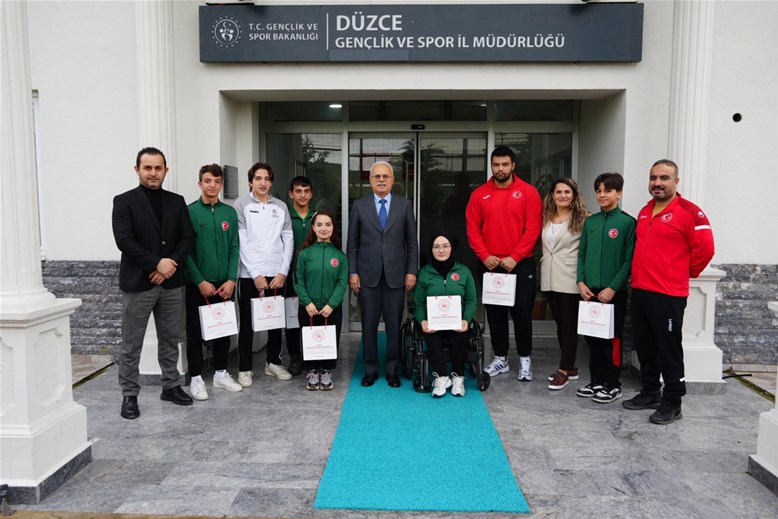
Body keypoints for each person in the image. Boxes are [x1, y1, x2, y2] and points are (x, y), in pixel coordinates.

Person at [623, 160, 714, 424]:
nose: (657, 183)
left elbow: (706, 249)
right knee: (645, 346)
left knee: (668, 349)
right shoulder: (645, 211)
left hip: (668, 294)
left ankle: (673, 401)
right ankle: (650, 392)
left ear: (676, 181)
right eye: (653, 178)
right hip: (641, 290)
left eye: (664, 178)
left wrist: (683, 272)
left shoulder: (690, 212)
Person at [111, 147, 195, 419]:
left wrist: (169, 265)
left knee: (170, 338)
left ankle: (171, 386)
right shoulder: (124, 201)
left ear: (165, 171)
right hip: (139, 283)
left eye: (158, 168)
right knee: (131, 342)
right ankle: (129, 394)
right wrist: (156, 263)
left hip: (171, 283)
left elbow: (187, 238)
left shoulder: (176, 201)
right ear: (137, 170)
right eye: (147, 168)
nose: (153, 173)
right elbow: (124, 240)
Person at [465, 145, 542, 382]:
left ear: (513, 165)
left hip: (520, 264)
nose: (500, 169)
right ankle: (501, 358)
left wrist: (515, 256)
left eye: (505, 164)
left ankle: (525, 359)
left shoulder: (528, 192)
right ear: (491, 166)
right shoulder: (479, 194)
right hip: (490, 264)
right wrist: (484, 255)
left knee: (521, 313)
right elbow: (472, 228)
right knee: (496, 315)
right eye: (496, 164)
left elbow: (533, 228)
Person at [347, 161, 419, 388]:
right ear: (370, 180)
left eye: (385, 176)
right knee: (368, 326)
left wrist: (412, 270)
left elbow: (412, 243)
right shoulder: (359, 206)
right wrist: (353, 272)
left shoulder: (404, 205)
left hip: (396, 276)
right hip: (367, 276)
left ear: (392, 180)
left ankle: (392, 370)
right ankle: (370, 370)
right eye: (376, 176)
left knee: (393, 326)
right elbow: (352, 244)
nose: (381, 180)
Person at [184, 164, 243, 401]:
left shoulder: (229, 213)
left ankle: (220, 373)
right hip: (198, 285)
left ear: (221, 184)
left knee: (223, 331)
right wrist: (199, 281)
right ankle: (196, 378)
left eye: (217, 181)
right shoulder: (190, 212)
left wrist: (231, 279)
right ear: (200, 183)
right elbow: (185, 252)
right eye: (207, 181)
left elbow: (234, 247)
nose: (212, 185)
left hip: (223, 285)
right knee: (195, 334)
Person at [576, 173, 636, 403]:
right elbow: (582, 255)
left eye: (608, 190)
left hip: (613, 294)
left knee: (612, 340)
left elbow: (628, 260)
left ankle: (613, 384)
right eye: (598, 191)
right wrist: (581, 282)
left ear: (618, 193)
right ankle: (596, 381)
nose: (602, 195)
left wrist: (613, 288)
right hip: (589, 292)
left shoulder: (627, 223)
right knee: (592, 339)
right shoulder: (591, 222)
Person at [235, 162, 295, 386]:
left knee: (274, 321)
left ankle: (273, 363)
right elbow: (242, 242)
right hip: (249, 275)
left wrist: (283, 271)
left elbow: (288, 240)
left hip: (276, 274)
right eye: (258, 178)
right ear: (251, 181)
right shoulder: (241, 205)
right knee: (247, 323)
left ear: (271, 182)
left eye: (267, 179)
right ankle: (245, 368)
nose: (262, 183)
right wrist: (255, 274)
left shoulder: (280, 206)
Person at [413, 234, 477, 398]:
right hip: (433, 321)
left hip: (456, 320)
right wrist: (422, 321)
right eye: (436, 247)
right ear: (431, 250)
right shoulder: (424, 273)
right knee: (431, 336)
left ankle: (458, 377)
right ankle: (441, 377)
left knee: (460, 335)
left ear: (452, 248)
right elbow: (418, 302)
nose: (441, 250)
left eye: (445, 246)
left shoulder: (464, 272)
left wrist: (466, 320)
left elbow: (471, 300)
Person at [540, 178, 589, 391]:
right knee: (560, 325)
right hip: (549, 278)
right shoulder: (546, 217)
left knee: (569, 326)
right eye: (558, 192)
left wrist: (583, 279)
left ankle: (564, 370)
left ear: (574, 195)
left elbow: (586, 251)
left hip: (570, 278)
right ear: (552, 195)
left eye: (567, 192)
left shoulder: (583, 219)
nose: (562, 195)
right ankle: (570, 368)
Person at [294, 211, 349, 390]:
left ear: (333, 228)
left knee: (330, 340)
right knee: (309, 339)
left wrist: (332, 304)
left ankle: (326, 372)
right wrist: (307, 302)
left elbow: (342, 283)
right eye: (319, 225)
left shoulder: (340, 257)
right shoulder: (304, 254)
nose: (323, 228)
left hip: (331, 309)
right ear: (313, 228)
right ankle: (311, 371)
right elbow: (298, 280)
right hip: (308, 308)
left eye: (328, 224)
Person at [285, 176, 315, 376]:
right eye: (298, 191)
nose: (302, 195)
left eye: (306, 191)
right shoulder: (284, 216)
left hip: (313, 277)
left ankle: (312, 354)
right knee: (292, 318)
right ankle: (295, 356)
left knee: (312, 315)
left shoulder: (317, 217)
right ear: (291, 194)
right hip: (289, 276)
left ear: (311, 194)